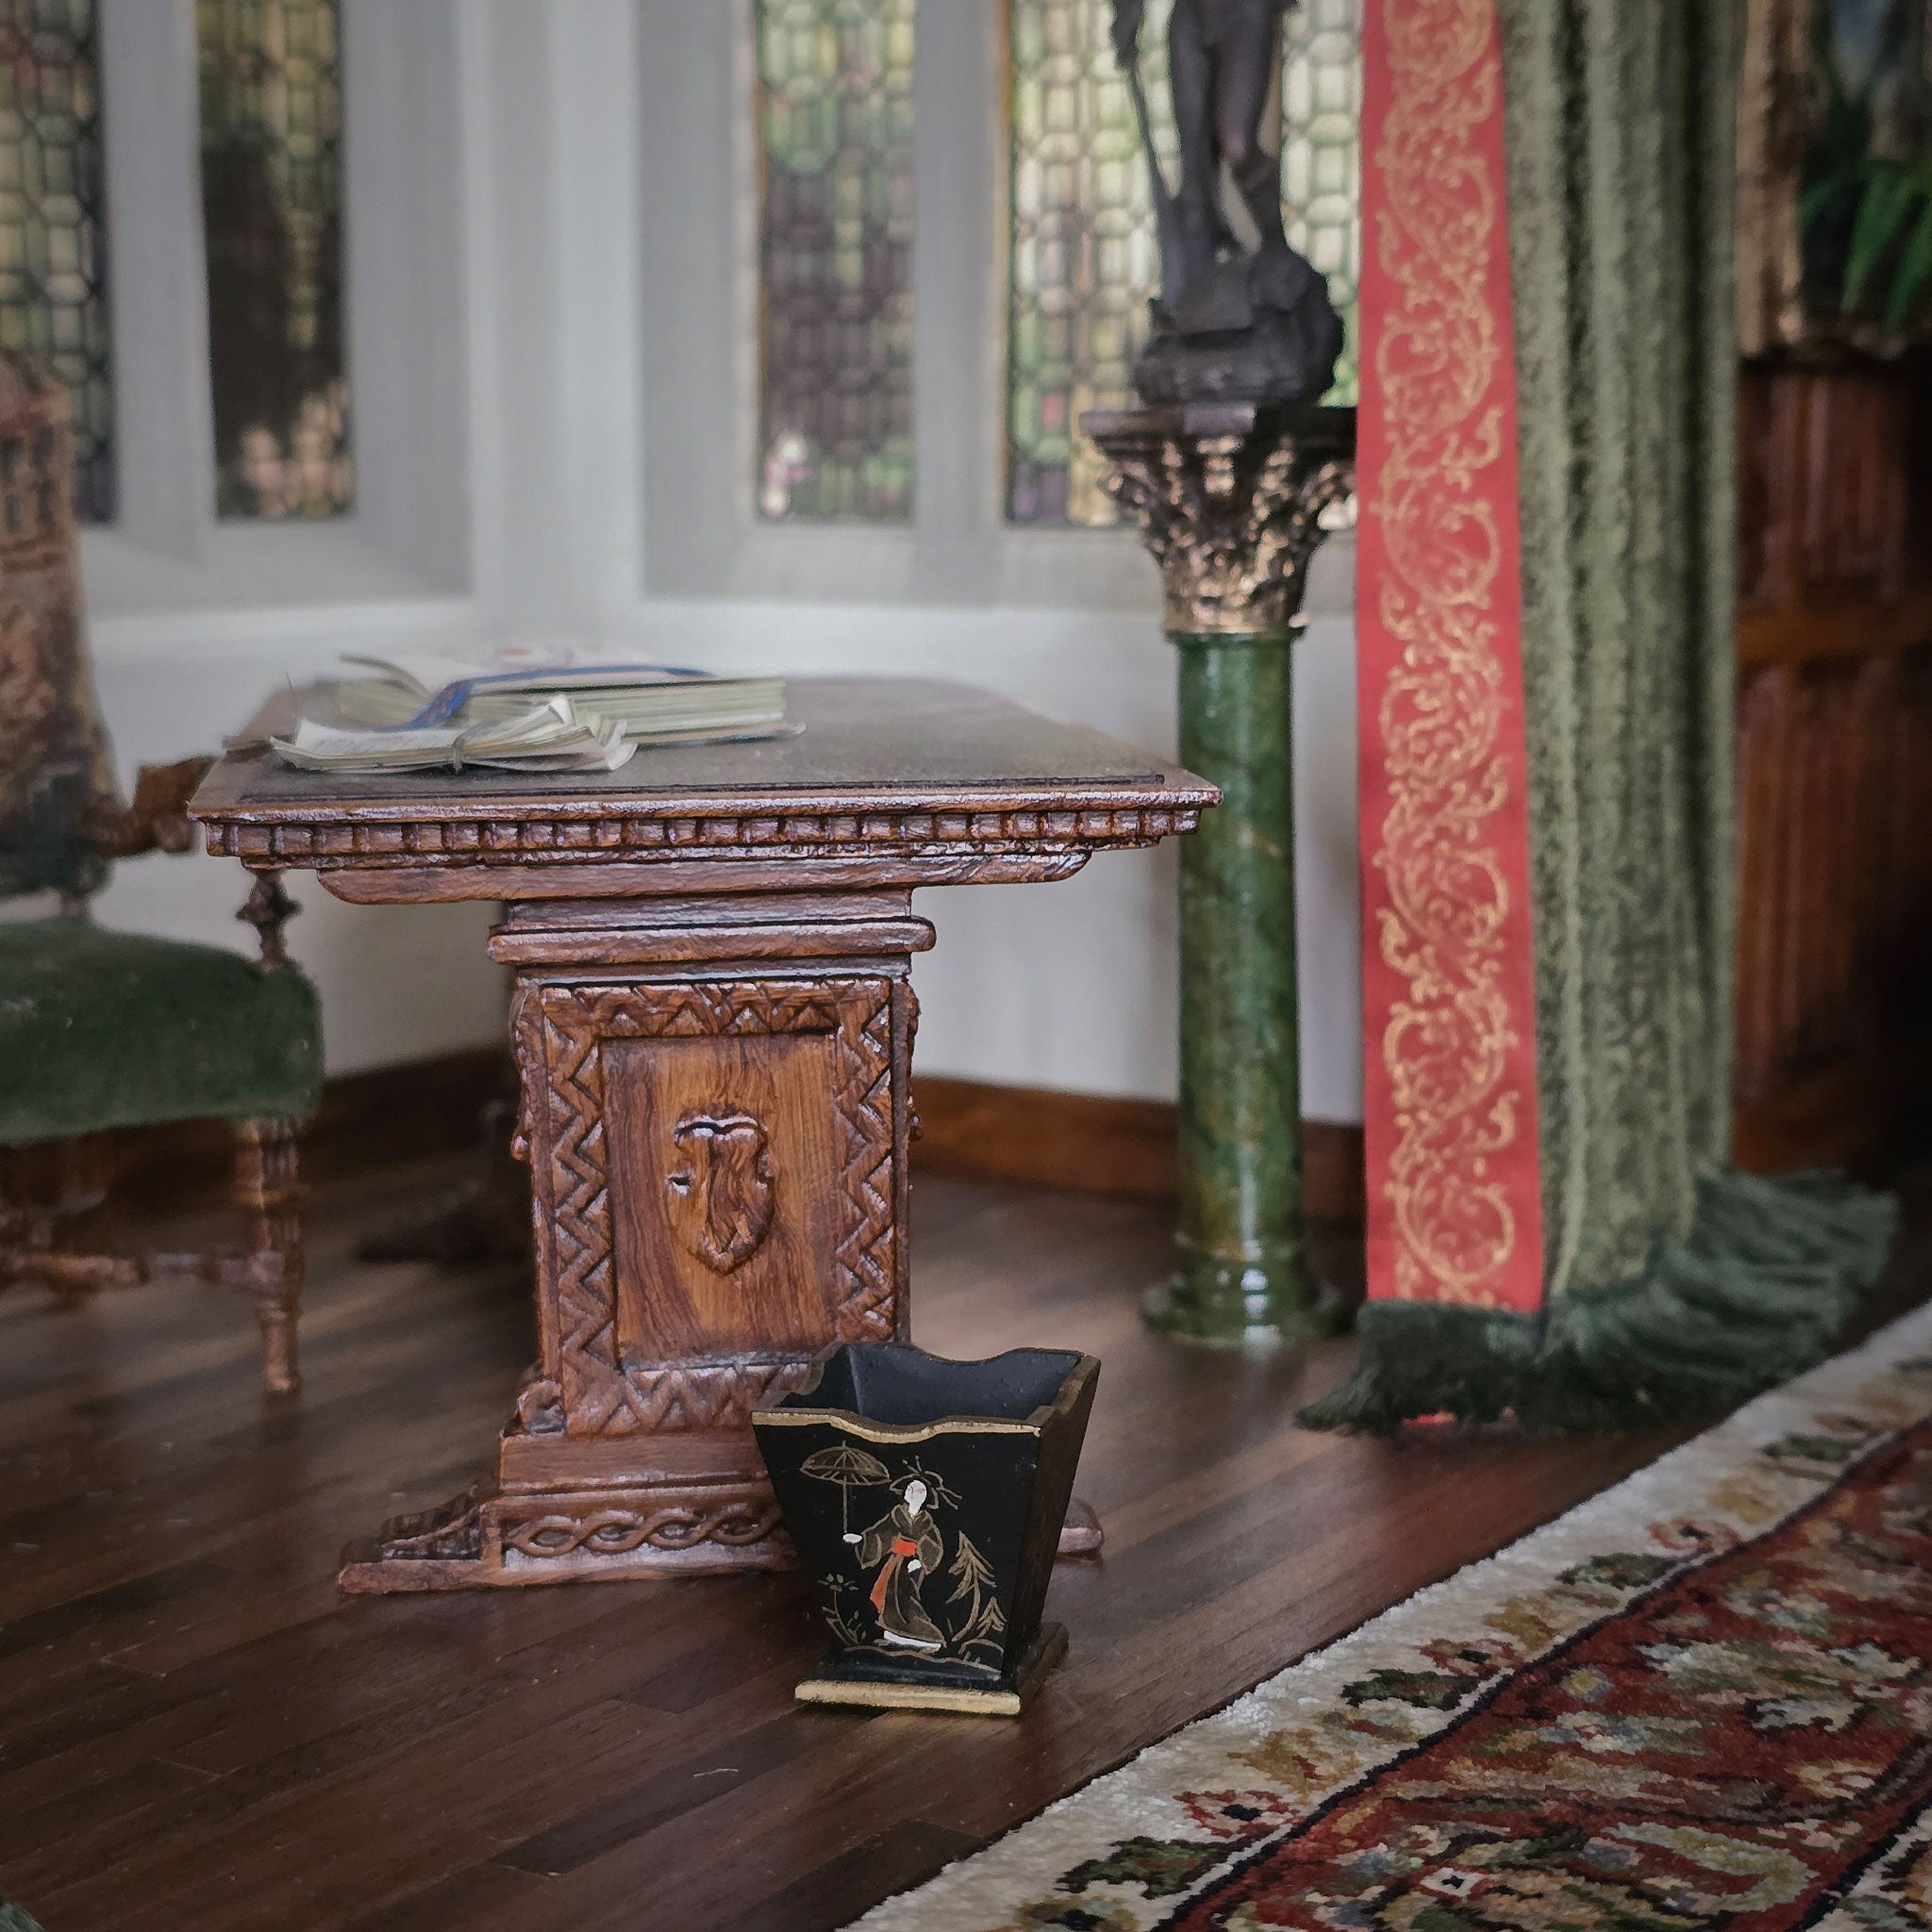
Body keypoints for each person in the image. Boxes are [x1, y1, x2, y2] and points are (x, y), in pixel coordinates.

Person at [1111, 0, 1312, 322]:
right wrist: (1128, 12)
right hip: (1191, 15)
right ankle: (1200, 279)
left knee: (1237, 144)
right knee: (1194, 169)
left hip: (1244, 12)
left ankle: (1275, 243)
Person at [846, 1477, 945, 1651]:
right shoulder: (896, 1515)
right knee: (888, 1594)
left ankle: (922, 1633)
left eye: (920, 1491)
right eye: (910, 1489)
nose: (914, 1493)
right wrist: (861, 1539)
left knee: (908, 1598)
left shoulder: (926, 1523)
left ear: (925, 1497)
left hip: (913, 1565)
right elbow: (880, 1534)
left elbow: (933, 1546)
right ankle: (893, 1631)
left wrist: (920, 1561)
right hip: (896, 1562)